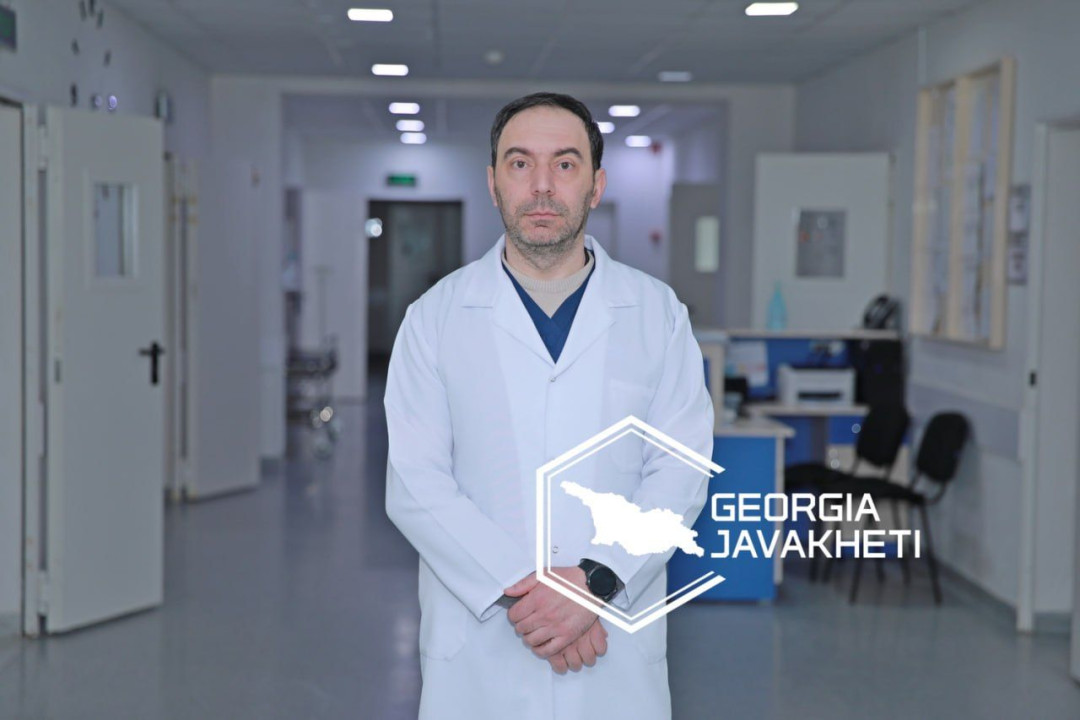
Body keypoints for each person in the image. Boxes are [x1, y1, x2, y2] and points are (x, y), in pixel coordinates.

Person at [384, 92, 714, 720]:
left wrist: (596, 581)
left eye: (564, 164)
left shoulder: (658, 315)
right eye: (520, 163)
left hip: (612, 641)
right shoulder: (435, 318)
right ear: (493, 183)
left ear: (596, 185)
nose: (541, 186)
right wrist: (535, 593)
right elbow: (415, 483)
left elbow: (681, 468)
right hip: (482, 644)